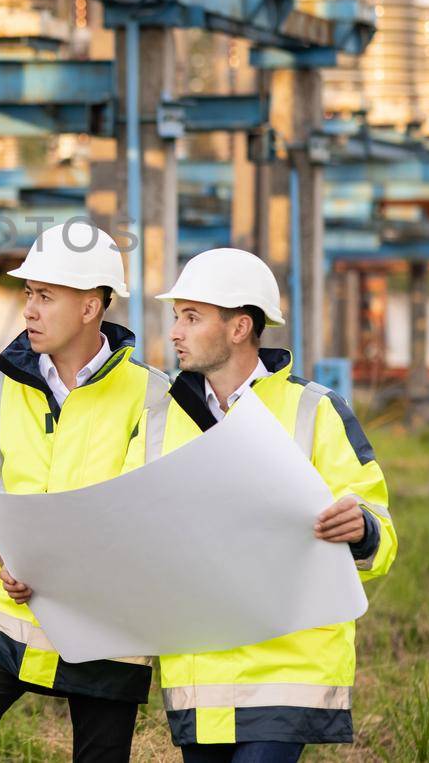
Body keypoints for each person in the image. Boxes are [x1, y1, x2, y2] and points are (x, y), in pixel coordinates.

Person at [128, 247, 398, 763]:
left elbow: (379, 533)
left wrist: (360, 529)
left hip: (288, 666)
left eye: (191, 317)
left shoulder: (315, 410)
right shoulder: (160, 419)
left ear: (239, 328)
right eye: (176, 317)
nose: (175, 333)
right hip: (198, 672)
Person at [0, 221, 170, 762]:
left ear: (90, 307)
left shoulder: (152, 396)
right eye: (29, 295)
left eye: (46, 297)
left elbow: (147, 506)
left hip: (107, 616)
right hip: (5, 604)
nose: (29, 310)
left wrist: (54, 563)